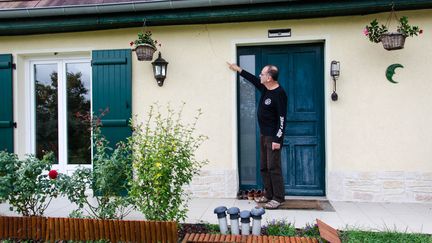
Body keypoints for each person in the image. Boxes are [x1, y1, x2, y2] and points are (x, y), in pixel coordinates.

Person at [227, 62, 287, 209]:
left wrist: (278, 139)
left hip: (273, 137)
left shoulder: (279, 94)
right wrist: (238, 69)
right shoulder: (265, 88)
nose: (259, 76)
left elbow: (282, 119)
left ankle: (278, 198)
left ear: (269, 77)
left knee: (274, 167)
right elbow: (253, 79)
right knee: (264, 167)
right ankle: (268, 195)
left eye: (262, 74)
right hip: (263, 135)